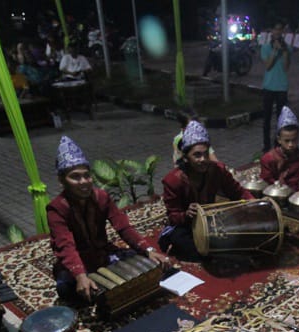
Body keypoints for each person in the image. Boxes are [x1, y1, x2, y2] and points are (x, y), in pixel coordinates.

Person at [48, 136, 171, 301]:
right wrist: (79, 275)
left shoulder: (101, 197)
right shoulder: (56, 209)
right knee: (66, 290)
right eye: (75, 177)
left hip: (104, 255)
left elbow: (123, 227)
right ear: (62, 181)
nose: (84, 182)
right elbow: (65, 246)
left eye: (87, 175)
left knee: (149, 264)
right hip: (78, 264)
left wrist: (148, 250)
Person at [160, 120, 255, 261]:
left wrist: (253, 203)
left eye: (205, 154)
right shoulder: (173, 180)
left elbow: (237, 192)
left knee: (241, 231)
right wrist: (186, 214)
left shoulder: (217, 170)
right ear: (186, 157)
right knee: (187, 244)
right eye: (197, 155)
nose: (203, 159)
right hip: (186, 226)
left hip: (211, 220)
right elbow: (173, 215)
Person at [260, 105, 299, 190]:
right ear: (279, 140)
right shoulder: (268, 159)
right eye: (287, 141)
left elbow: (298, 182)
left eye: (294, 140)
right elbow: (266, 183)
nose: (291, 144)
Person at [260, 22, 290, 153]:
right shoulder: (265, 47)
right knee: (266, 119)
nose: (277, 32)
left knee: (281, 119)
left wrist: (283, 51)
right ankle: (266, 146)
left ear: (283, 31)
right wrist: (275, 50)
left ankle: (278, 145)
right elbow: (268, 66)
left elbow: (286, 67)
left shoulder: (288, 48)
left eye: (280, 29)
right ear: (271, 31)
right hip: (268, 87)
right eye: (275, 29)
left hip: (281, 87)